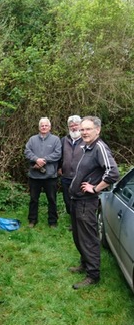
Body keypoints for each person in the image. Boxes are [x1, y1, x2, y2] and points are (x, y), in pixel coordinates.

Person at [68, 115, 119, 289]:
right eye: (82, 129)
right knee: (78, 236)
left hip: (86, 202)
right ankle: (84, 263)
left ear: (97, 130)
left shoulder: (99, 147)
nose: (84, 132)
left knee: (88, 238)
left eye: (88, 129)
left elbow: (112, 173)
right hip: (76, 200)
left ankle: (93, 275)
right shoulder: (85, 146)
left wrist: (96, 188)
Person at [24, 117, 62, 228]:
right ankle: (32, 220)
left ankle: (53, 222)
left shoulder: (56, 140)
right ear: (39, 127)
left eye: (46, 125)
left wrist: (44, 160)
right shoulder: (32, 139)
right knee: (33, 200)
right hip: (34, 176)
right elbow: (27, 151)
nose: (44, 127)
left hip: (50, 176)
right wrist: (36, 159)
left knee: (52, 200)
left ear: (49, 127)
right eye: (42, 125)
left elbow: (58, 154)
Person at [59, 115, 82, 227]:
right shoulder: (64, 140)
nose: (73, 128)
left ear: (80, 125)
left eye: (76, 125)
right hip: (66, 176)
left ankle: (79, 223)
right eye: (71, 126)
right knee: (68, 200)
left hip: (81, 177)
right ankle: (72, 220)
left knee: (79, 200)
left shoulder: (86, 140)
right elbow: (60, 156)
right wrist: (59, 167)